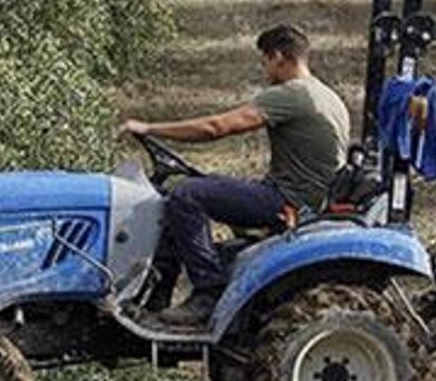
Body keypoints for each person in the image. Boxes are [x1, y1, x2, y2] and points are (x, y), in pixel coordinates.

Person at [118, 24, 350, 325]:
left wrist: (149, 129)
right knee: (195, 185)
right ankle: (156, 296)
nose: (264, 69)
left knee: (186, 195)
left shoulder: (293, 95)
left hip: (289, 204)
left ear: (279, 57)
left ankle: (207, 293)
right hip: (301, 197)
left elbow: (217, 127)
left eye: (264, 61)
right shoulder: (328, 95)